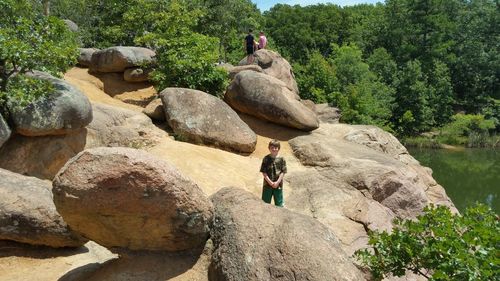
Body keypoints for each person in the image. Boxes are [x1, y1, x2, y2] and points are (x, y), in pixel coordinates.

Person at [260, 139, 287, 207]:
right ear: (269, 148)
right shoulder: (266, 158)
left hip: (278, 185)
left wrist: (277, 182)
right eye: (272, 147)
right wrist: (270, 182)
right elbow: (264, 172)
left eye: (276, 148)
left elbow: (283, 172)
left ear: (278, 148)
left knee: (279, 203)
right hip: (267, 185)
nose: (274, 149)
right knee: (265, 203)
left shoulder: (282, 159)